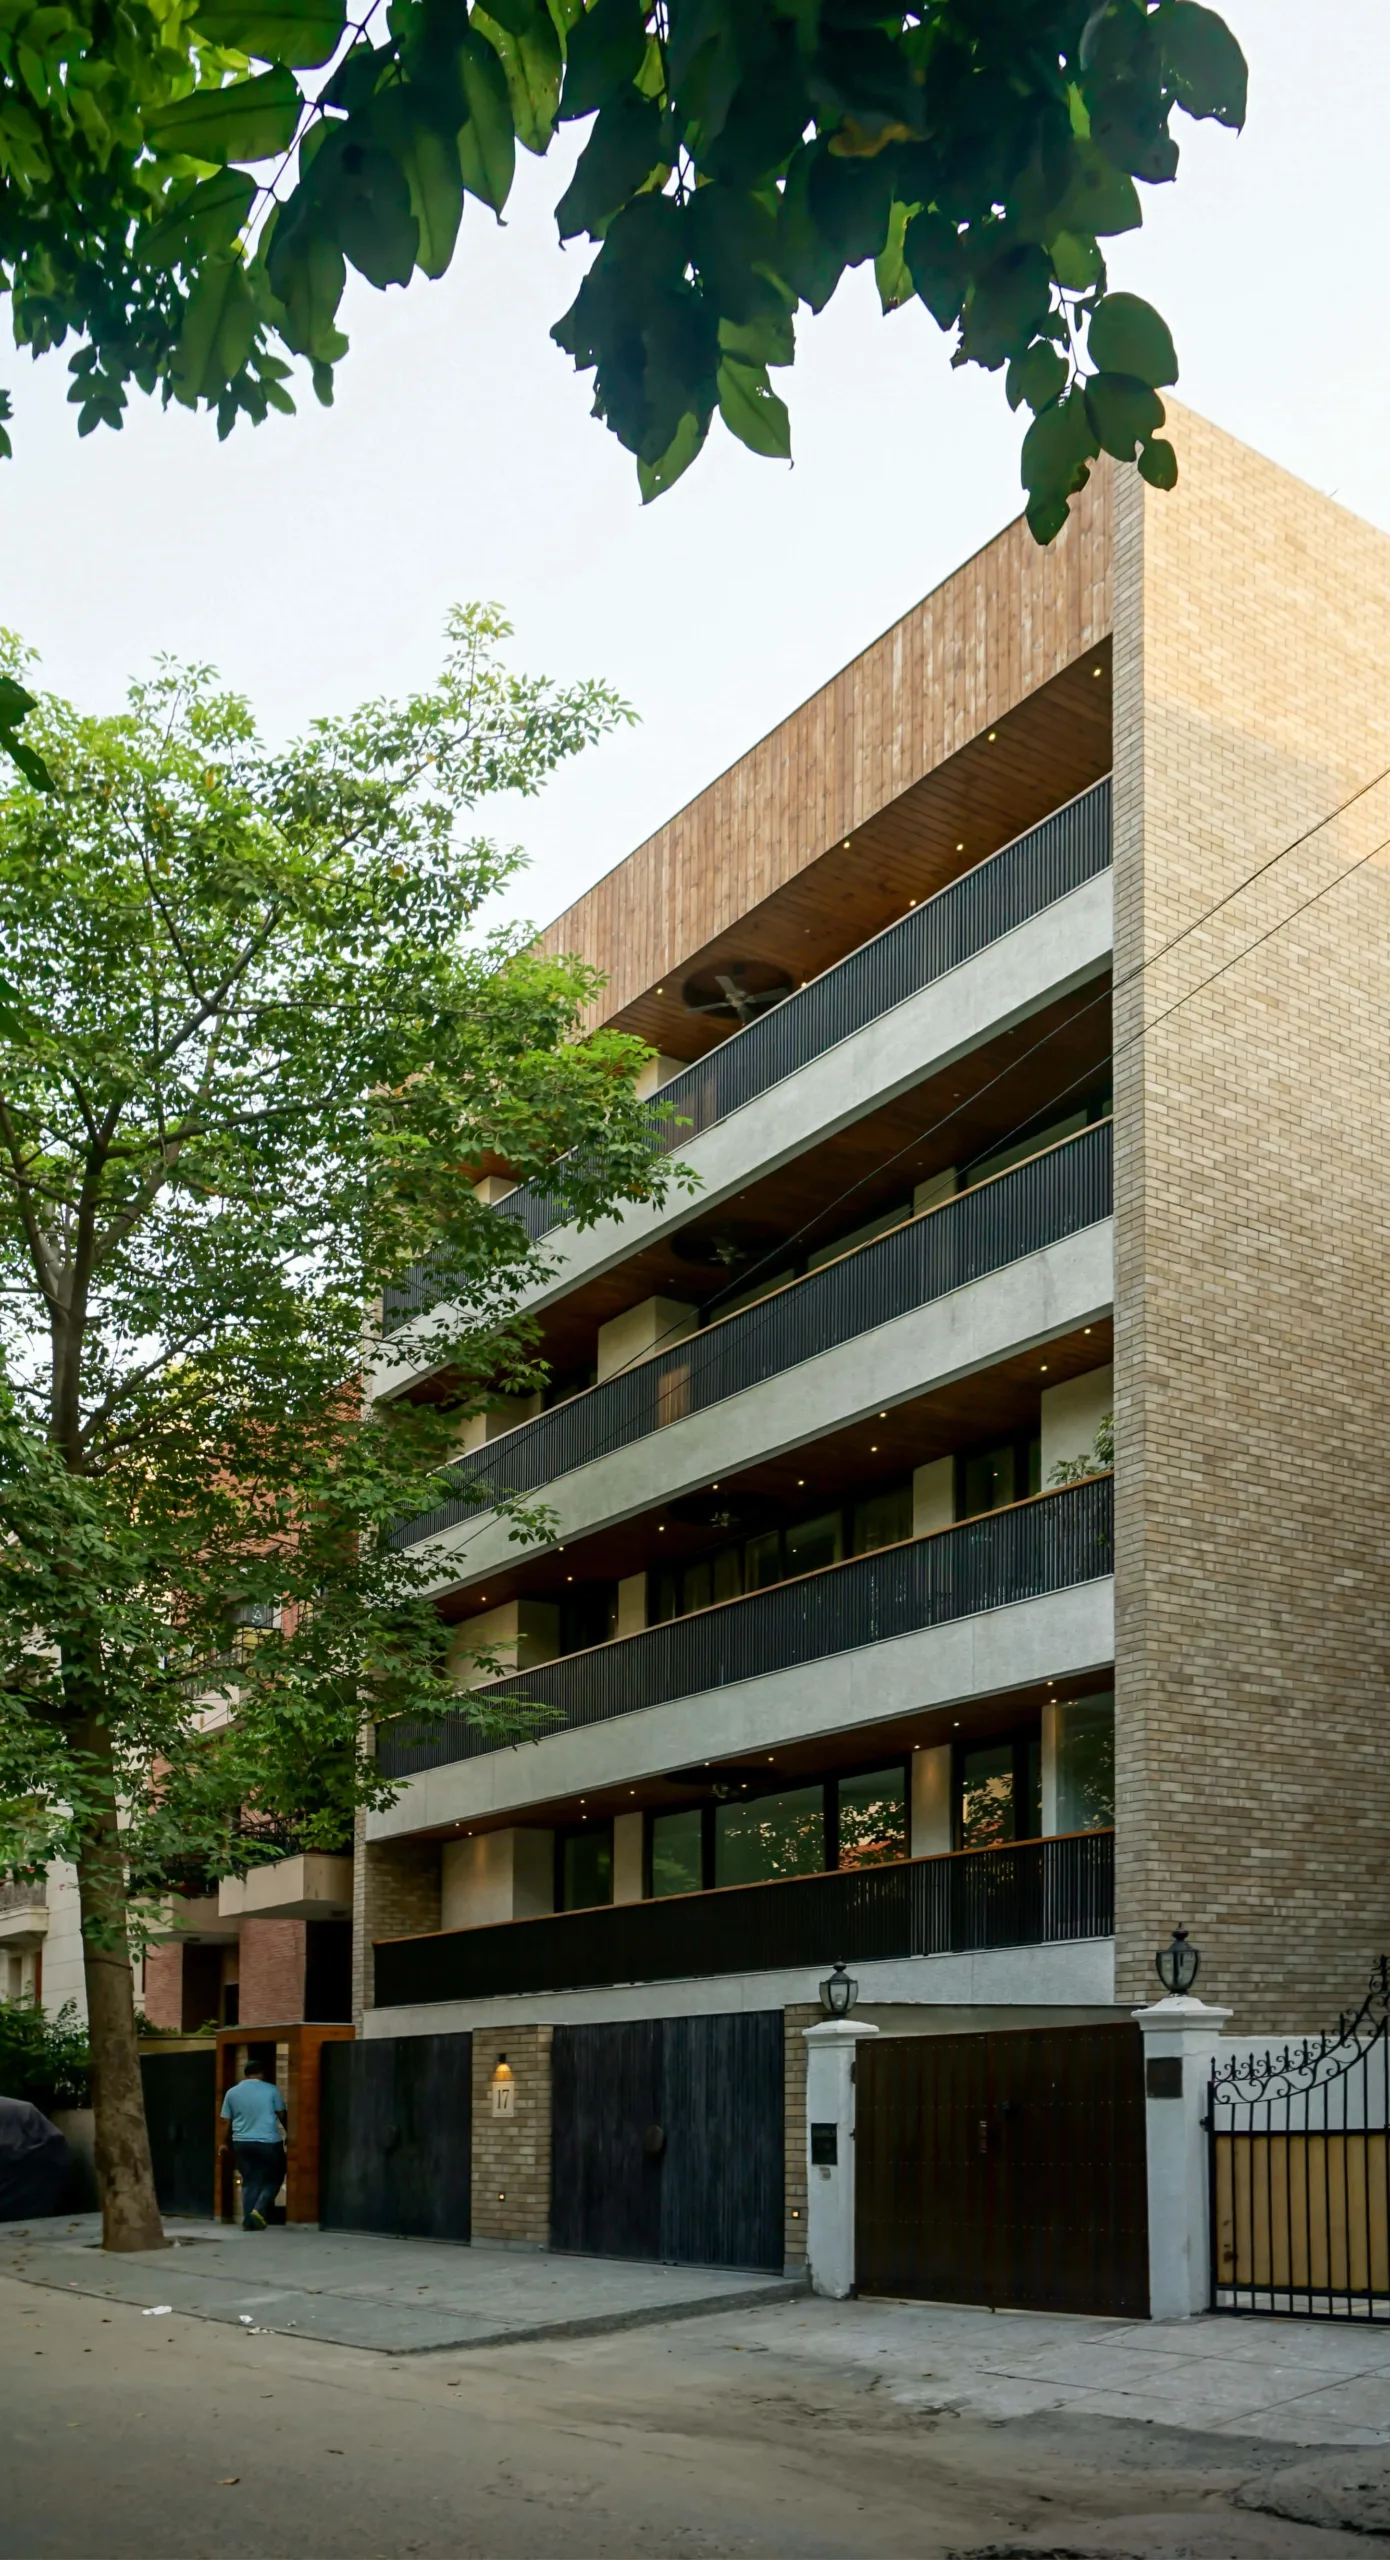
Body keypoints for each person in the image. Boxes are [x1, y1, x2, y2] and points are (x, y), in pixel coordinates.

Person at [219, 2057, 288, 2230]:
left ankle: (248, 2222)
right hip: (268, 2142)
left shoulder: (232, 2093)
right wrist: (290, 2133)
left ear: (246, 2073)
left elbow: (224, 2121)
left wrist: (222, 2142)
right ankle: (258, 2209)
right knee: (276, 2176)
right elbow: (281, 2113)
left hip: (241, 2143)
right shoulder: (271, 2090)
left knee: (249, 2181)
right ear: (261, 2073)